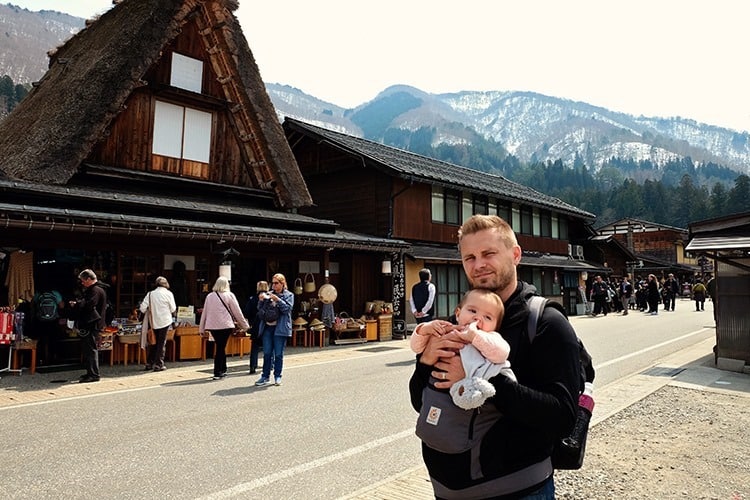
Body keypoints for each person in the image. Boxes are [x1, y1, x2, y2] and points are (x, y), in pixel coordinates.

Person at [409, 215, 580, 499]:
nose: (478, 265)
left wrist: (480, 380)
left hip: (519, 490)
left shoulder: (545, 322)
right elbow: (420, 402)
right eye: (469, 258)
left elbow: (562, 417)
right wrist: (426, 363)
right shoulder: (456, 323)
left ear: (515, 255)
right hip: (446, 490)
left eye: (488, 253)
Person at [410, 288, 515, 409]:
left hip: (472, 394)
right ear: (458, 314)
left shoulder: (490, 338)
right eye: (472, 310)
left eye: (487, 317)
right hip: (437, 394)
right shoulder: (447, 330)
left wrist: (475, 337)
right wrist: (424, 329)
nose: (478, 318)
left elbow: (502, 354)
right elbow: (416, 347)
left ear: (496, 327)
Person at [199, 276, 249, 380]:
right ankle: (217, 372)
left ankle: (223, 369)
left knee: (220, 346)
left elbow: (205, 312)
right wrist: (245, 325)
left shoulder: (209, 296)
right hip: (225, 325)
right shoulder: (229, 295)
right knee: (221, 347)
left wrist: (201, 328)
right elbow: (237, 312)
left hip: (212, 326)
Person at [68, 269, 108, 383]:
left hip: (93, 324)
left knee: (91, 349)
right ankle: (90, 372)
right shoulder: (96, 289)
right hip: (92, 324)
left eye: (83, 281)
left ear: (89, 279)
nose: (82, 283)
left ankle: (94, 374)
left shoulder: (95, 290)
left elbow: (90, 305)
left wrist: (77, 304)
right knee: (87, 349)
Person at [255, 273, 294, 387]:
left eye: (276, 283)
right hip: (267, 327)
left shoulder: (289, 295)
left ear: (283, 284)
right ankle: (265, 376)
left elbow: (287, 309)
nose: (274, 285)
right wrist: (261, 300)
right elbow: (260, 309)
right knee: (267, 353)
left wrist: (277, 300)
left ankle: (278, 376)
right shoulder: (269, 294)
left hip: (280, 328)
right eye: (273, 283)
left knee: (278, 354)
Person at [139, 276, 176, 372]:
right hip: (165, 321)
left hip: (153, 321)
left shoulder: (150, 294)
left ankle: (149, 363)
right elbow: (173, 309)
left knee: (153, 342)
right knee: (161, 343)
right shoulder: (169, 294)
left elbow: (142, 308)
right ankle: (159, 364)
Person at [244, 280, 268, 375]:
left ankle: (252, 366)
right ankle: (270, 365)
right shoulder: (269, 297)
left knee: (255, 346)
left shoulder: (252, 298)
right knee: (269, 346)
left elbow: (246, 312)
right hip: (267, 324)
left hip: (255, 324)